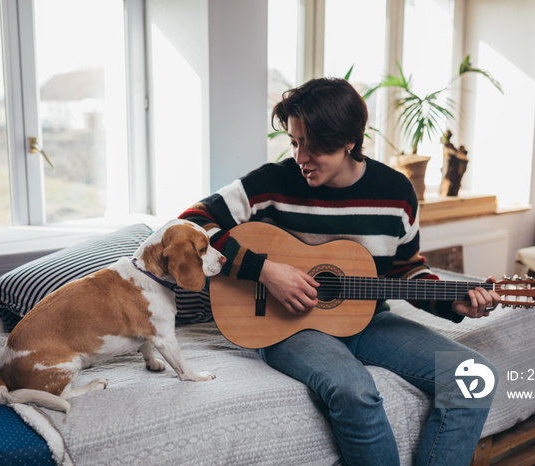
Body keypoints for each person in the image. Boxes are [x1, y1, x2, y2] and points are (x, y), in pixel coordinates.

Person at [178, 77, 500, 465]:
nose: (300, 158)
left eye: (314, 147)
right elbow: (193, 223)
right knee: (353, 389)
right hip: (288, 325)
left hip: (369, 320)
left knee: (473, 377)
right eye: (296, 143)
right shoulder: (273, 181)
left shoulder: (396, 193)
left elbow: (407, 270)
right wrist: (266, 271)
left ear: (349, 140)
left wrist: (455, 305)